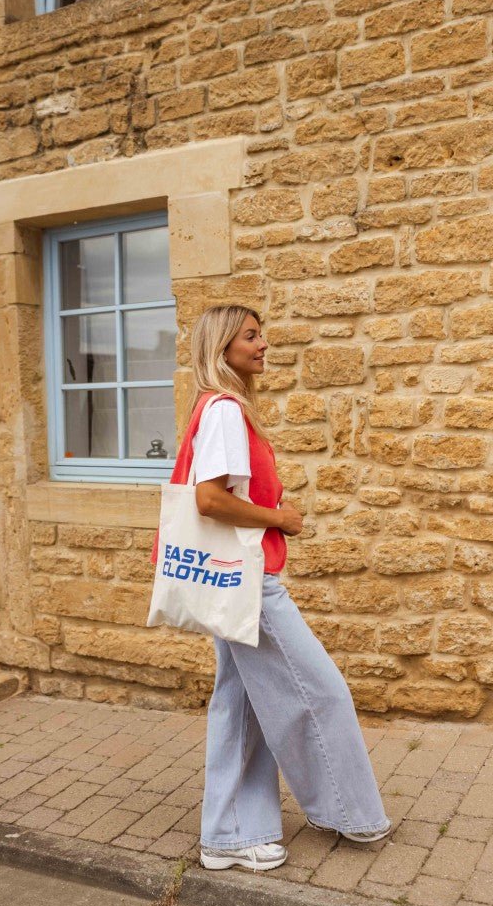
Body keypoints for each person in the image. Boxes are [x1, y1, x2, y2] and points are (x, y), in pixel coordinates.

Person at [160, 305, 391, 873]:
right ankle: (347, 812)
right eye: (251, 336)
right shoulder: (224, 413)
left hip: (241, 580)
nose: (263, 344)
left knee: (243, 706)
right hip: (250, 583)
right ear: (223, 349)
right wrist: (277, 517)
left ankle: (231, 834)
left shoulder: (220, 408)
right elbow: (209, 499)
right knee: (323, 691)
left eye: (261, 334)